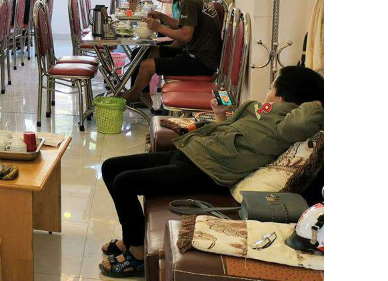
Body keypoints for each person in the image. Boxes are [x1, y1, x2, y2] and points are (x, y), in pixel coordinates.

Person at [98, 66, 325, 277]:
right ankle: (131, 239)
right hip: (191, 153)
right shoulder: (260, 111)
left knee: (124, 182)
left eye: (271, 87)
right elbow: (232, 133)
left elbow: (301, 122)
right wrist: (220, 114)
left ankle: (137, 253)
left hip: (205, 171)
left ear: (282, 97)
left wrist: (316, 101)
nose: (267, 91)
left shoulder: (286, 124)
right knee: (110, 167)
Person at [121, 0, 222, 104]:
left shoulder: (189, 1)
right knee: (150, 51)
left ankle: (133, 95)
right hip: (200, 55)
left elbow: (186, 35)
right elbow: (183, 25)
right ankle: (143, 96)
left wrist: (159, 27)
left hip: (201, 61)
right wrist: (161, 16)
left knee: (146, 65)